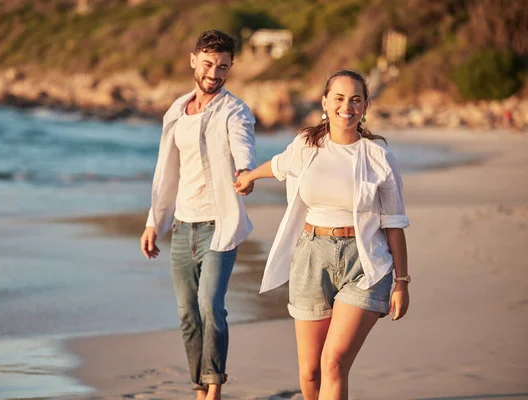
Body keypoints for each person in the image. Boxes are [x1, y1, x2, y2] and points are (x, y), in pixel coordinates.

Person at [234, 69, 410, 400]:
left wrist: (402, 281)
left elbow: (394, 223)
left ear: (365, 106)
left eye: (356, 99)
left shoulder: (379, 157)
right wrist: (250, 177)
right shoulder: (306, 145)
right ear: (325, 102)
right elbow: (279, 165)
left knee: (333, 363)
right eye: (340, 98)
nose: (347, 106)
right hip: (310, 257)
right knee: (310, 371)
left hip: (364, 264)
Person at [140, 30, 256, 400]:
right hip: (182, 227)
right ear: (193, 60)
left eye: (223, 66)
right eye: (208, 64)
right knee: (188, 313)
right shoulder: (175, 111)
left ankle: (215, 386)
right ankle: (198, 386)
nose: (214, 72)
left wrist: (245, 172)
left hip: (218, 226)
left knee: (211, 306)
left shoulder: (235, 111)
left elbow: (242, 143)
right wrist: (152, 223)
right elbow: (165, 172)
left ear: (230, 68)